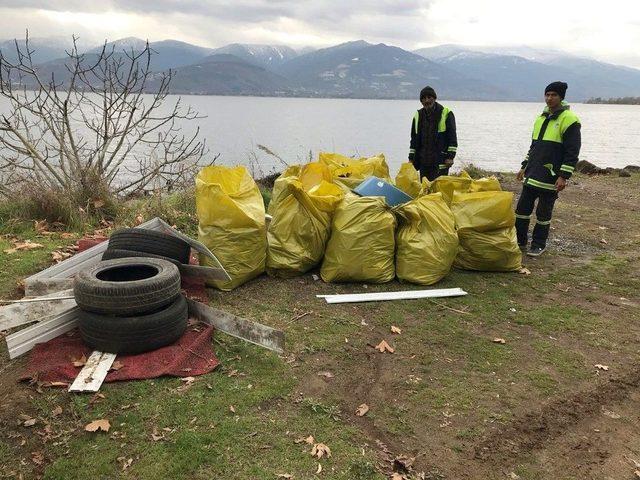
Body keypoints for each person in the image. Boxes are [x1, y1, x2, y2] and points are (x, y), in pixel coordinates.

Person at [515, 81, 581, 257]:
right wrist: (524, 166)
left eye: (554, 95)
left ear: (561, 98)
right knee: (521, 211)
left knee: (543, 213)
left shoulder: (570, 120)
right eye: (547, 94)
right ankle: (519, 241)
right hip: (532, 173)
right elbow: (534, 146)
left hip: (551, 177)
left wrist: (564, 176)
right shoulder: (540, 118)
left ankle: (538, 244)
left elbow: (572, 152)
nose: (549, 98)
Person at [408, 86, 457, 181]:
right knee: (425, 190)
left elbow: (452, 137)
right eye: (424, 98)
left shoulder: (446, 113)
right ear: (421, 101)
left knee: (438, 190)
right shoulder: (418, 116)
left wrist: (450, 156)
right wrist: (411, 159)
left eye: (429, 97)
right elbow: (413, 140)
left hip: (440, 161)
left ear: (434, 98)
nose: (426, 101)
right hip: (423, 163)